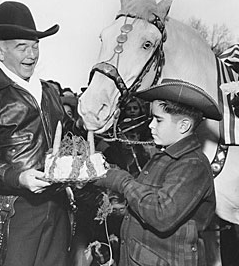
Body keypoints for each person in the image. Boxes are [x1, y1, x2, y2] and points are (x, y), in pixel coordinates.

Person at [0, 1, 76, 266]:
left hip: (57, 207)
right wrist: (20, 177)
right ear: (0, 52)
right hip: (15, 212)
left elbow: (67, 141)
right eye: (21, 47)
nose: (31, 54)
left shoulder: (49, 92)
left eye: (35, 46)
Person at [95, 78, 222, 266]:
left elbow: (161, 215)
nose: (150, 126)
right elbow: (144, 201)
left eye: (158, 120)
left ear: (183, 126)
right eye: (151, 119)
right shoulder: (164, 157)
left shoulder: (192, 165)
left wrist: (122, 181)